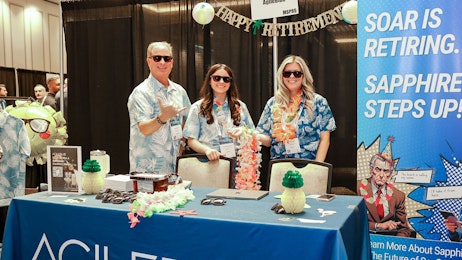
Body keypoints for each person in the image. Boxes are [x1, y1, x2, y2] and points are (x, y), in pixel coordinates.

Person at [256, 55, 336, 161]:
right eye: (287, 73)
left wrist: (317, 167)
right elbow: (267, 140)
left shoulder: (318, 102)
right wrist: (249, 133)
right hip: (279, 166)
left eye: (297, 73)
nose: (292, 77)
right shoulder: (273, 103)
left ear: (303, 76)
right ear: (282, 76)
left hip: (308, 165)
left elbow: (325, 139)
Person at [127, 41, 191, 174]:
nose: (162, 62)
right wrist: (162, 118)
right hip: (148, 170)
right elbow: (144, 128)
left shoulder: (179, 91)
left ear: (172, 63)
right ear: (149, 61)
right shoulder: (141, 92)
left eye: (167, 58)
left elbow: (188, 121)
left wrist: (182, 143)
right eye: (157, 58)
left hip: (174, 167)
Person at [183, 64, 255, 161]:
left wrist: (244, 132)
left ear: (230, 83)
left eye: (226, 79)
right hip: (208, 163)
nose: (221, 82)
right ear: (209, 80)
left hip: (237, 165)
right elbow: (191, 140)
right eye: (217, 78)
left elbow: (253, 133)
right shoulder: (198, 107)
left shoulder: (240, 106)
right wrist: (207, 150)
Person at [357, 140, 411, 237]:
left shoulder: (398, 196)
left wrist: (395, 245)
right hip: (363, 240)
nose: (381, 175)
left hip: (387, 245)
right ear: (371, 170)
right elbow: (352, 223)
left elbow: (404, 229)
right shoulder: (358, 188)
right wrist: (378, 226)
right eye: (378, 169)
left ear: (390, 174)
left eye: (385, 171)